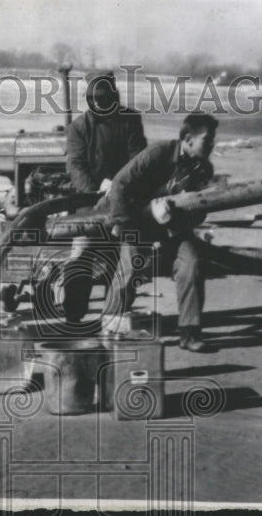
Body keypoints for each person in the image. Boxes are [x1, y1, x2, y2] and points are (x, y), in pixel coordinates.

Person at [104, 113, 218, 352]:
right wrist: (123, 224)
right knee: (130, 268)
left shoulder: (203, 170)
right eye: (207, 140)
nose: (212, 145)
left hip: (172, 228)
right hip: (136, 221)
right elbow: (120, 184)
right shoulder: (159, 152)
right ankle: (110, 324)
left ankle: (189, 333)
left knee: (192, 262)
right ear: (188, 139)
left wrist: (180, 214)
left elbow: (201, 213)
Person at [61, 70, 147, 328]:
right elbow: (75, 166)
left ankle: (113, 317)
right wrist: (98, 192)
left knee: (127, 260)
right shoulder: (78, 128)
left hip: (125, 201)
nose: (101, 103)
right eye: (95, 98)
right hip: (90, 205)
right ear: (89, 99)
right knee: (80, 257)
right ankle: (73, 318)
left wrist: (117, 188)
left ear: (114, 96)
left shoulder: (130, 120)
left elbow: (138, 160)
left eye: (105, 97)